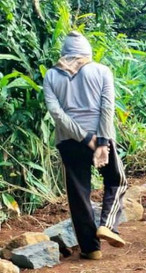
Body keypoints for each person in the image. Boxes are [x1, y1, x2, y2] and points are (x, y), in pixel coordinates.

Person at [43, 31, 127, 260]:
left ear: (64, 52)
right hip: (101, 137)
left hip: (68, 142)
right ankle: (107, 225)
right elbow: (107, 108)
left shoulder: (50, 76)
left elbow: (57, 115)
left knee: (79, 193)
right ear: (86, 51)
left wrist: (84, 138)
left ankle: (91, 249)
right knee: (117, 181)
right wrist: (100, 141)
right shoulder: (102, 71)